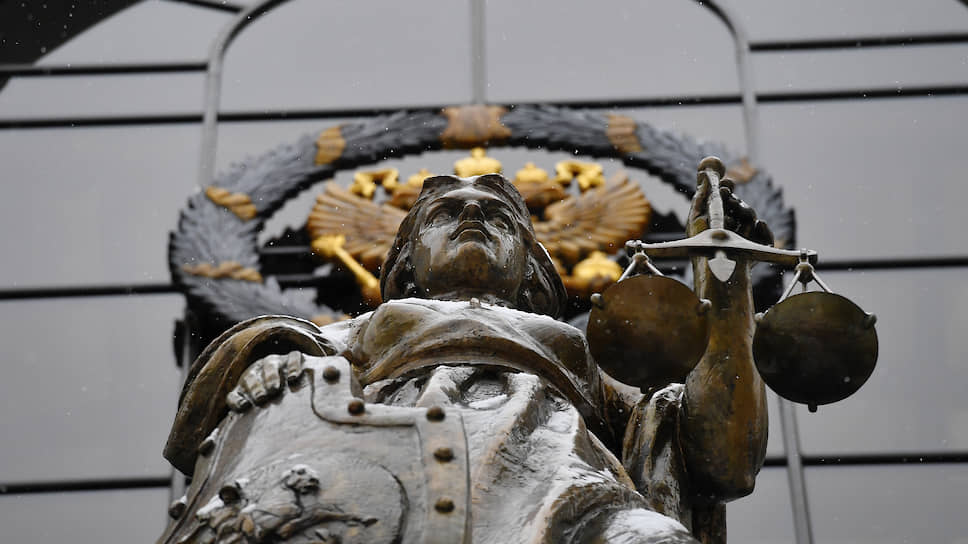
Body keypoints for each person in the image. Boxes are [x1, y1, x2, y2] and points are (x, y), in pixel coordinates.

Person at [161, 171, 770, 544]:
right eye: (445, 214)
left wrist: (725, 289)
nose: (473, 214)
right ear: (406, 266)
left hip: (563, 484)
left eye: (499, 218)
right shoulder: (366, 331)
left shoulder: (583, 351)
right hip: (398, 478)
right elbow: (259, 380)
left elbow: (719, 456)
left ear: (531, 271)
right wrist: (276, 358)